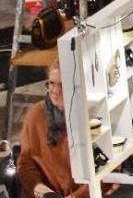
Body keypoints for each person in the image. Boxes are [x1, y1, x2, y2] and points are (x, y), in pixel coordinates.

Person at [18, 66, 85, 198]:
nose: (55, 91)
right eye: (51, 83)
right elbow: (26, 165)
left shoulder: (88, 115)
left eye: (62, 85)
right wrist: (45, 193)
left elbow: (105, 172)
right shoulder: (35, 115)